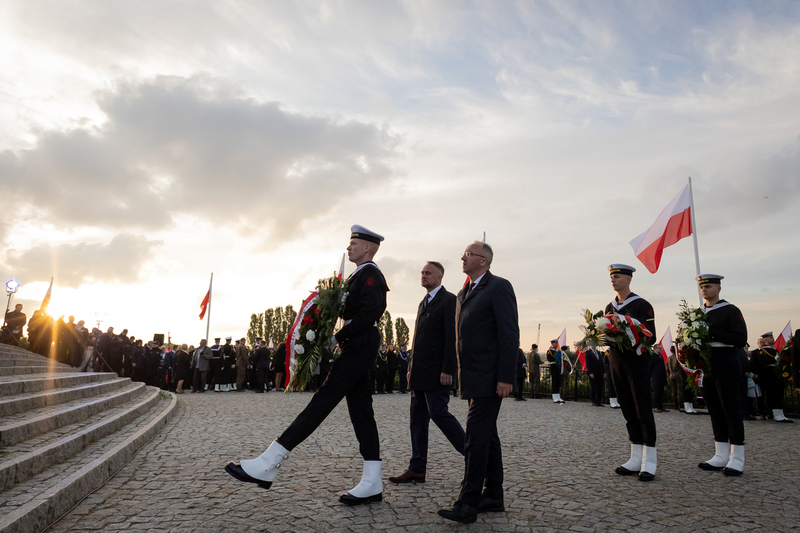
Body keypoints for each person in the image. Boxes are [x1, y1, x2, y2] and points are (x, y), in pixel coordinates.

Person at [226, 225, 389, 506]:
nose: (349, 248)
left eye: (354, 244)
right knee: (362, 414)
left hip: (359, 348)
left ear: (368, 248)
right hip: (356, 347)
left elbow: (369, 314)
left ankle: (269, 462)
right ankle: (372, 481)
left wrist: (337, 335)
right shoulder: (358, 275)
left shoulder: (371, 275)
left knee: (320, 403)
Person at [437, 241, 518, 524]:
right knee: (488, 436)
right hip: (472, 377)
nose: (463, 257)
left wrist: (506, 376)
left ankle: (468, 503)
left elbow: (508, 333)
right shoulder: (464, 292)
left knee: (474, 438)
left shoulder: (499, 287)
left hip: (489, 377)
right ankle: (494, 495)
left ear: (484, 261)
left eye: (468, 254)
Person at [388, 261, 464, 485]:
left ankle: (477, 459)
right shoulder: (424, 302)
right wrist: (411, 368)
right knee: (417, 420)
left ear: (440, 277)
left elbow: (452, 337)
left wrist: (448, 369)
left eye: (428, 273)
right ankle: (417, 468)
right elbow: (417, 339)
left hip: (437, 373)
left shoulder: (449, 300)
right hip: (420, 373)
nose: (423, 276)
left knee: (440, 414)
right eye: (422, 273)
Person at [605, 264, 658, 482]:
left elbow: (650, 336)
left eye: (616, 276)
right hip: (617, 361)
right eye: (611, 277)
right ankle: (635, 456)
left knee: (642, 408)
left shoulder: (642, 305)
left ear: (628, 279)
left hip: (636, 362)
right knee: (627, 407)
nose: (613, 280)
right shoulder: (610, 306)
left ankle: (650, 460)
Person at [694, 274, 749, 475]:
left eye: (708, 286)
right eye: (702, 287)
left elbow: (741, 339)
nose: (704, 290)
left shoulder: (730, 311)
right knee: (715, 410)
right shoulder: (697, 314)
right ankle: (720, 454)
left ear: (718, 287)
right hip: (706, 366)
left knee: (730, 410)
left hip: (726, 362)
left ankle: (737, 458)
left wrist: (712, 332)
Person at [751, 332, 793, 422]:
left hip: (777, 375)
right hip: (768, 376)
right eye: (770, 337)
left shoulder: (775, 350)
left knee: (778, 394)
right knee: (770, 395)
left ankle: (779, 413)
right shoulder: (763, 351)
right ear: (765, 340)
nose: (772, 339)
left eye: (772, 337)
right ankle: (772, 414)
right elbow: (763, 362)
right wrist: (776, 358)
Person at [667, 346, 697, 414]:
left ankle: (676, 405)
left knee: (674, 391)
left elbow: (667, 367)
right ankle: (682, 405)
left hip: (672, 375)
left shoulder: (669, 358)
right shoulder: (678, 357)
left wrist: (669, 374)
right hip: (679, 375)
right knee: (681, 390)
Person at [650, 344, 669, 412]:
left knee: (661, 392)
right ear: (655, 349)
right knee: (657, 392)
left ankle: (660, 406)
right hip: (656, 377)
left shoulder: (661, 356)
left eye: (661, 348)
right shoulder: (653, 356)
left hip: (662, 377)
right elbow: (650, 366)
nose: (661, 350)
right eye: (659, 348)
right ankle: (655, 407)